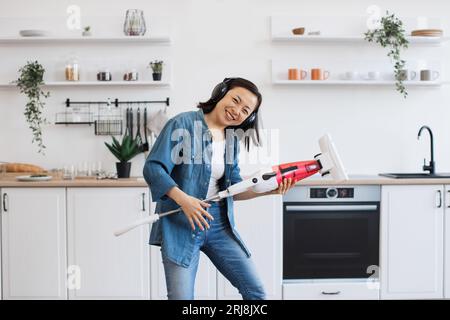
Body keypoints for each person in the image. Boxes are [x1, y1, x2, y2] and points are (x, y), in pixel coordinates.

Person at [143, 77, 293, 300]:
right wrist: (185, 200)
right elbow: (153, 168)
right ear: (221, 93)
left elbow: (233, 188)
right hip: (181, 224)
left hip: (218, 224)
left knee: (256, 293)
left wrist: (268, 190)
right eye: (235, 100)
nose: (237, 111)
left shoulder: (232, 139)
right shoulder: (182, 124)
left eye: (245, 110)